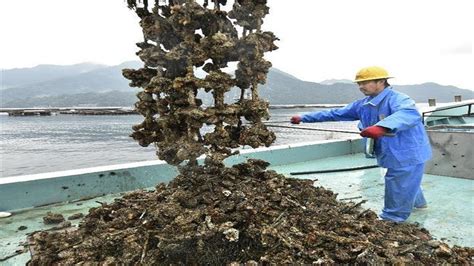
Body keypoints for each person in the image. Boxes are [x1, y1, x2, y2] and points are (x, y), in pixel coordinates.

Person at [290, 66, 432, 222]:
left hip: (407, 151)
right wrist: (304, 117)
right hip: (391, 151)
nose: (361, 87)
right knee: (409, 180)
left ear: (381, 81)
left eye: (365, 82)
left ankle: (392, 219)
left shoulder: (398, 99)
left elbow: (408, 114)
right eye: (359, 83)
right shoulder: (363, 104)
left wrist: (381, 127)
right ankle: (420, 205)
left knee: (399, 182)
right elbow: (336, 113)